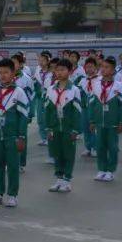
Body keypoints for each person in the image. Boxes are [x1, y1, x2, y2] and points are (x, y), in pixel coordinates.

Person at [0, 58, 28, 208]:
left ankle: (12, 195)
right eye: (0, 72)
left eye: (6, 72)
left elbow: (23, 117)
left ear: (13, 73)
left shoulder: (19, 92)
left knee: (12, 166)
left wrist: (21, 136)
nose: (2, 75)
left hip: (12, 137)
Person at [45, 59, 82, 193]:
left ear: (70, 71)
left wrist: (75, 129)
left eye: (62, 70)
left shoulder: (74, 90)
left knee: (68, 154)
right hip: (55, 128)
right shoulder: (50, 89)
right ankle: (59, 178)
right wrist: (48, 127)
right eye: (57, 70)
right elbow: (48, 110)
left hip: (68, 128)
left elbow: (78, 112)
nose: (59, 73)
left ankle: (67, 179)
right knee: (57, 153)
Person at [89, 57, 122, 182]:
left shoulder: (119, 86)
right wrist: (92, 120)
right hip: (99, 122)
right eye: (102, 67)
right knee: (100, 146)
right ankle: (101, 169)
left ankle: (110, 170)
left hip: (113, 123)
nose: (103, 69)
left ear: (113, 70)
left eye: (107, 67)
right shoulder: (96, 84)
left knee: (113, 147)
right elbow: (92, 104)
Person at [11, 53, 36, 171]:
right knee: (10, 137)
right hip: (9, 112)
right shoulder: (7, 78)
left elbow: (31, 97)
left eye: (15, 63)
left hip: (22, 113)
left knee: (21, 136)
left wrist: (30, 113)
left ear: (21, 65)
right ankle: (11, 161)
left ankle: (21, 163)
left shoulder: (26, 79)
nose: (12, 65)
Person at [78, 57, 100, 158]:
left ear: (96, 67)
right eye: (87, 67)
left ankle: (96, 148)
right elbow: (79, 93)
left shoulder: (100, 80)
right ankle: (88, 147)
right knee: (85, 127)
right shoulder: (83, 80)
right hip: (85, 108)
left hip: (95, 108)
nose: (89, 69)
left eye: (91, 67)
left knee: (94, 128)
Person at [34, 51, 53, 149]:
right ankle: (43, 137)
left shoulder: (51, 72)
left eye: (43, 61)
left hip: (48, 97)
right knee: (40, 118)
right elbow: (36, 84)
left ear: (47, 61)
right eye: (39, 60)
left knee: (47, 117)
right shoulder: (38, 71)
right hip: (39, 97)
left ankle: (48, 136)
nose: (41, 62)